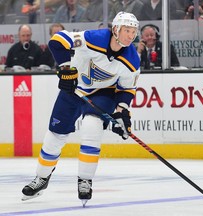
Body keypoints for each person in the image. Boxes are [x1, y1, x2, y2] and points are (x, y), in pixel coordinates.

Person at [21, 11, 140, 206]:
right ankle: (41, 178)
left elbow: (126, 89)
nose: (130, 35)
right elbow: (57, 41)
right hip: (74, 89)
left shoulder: (132, 59)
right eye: (127, 30)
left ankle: (85, 180)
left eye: (133, 32)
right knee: (55, 135)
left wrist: (122, 111)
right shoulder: (94, 38)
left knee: (91, 127)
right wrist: (67, 69)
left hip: (103, 93)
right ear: (116, 29)